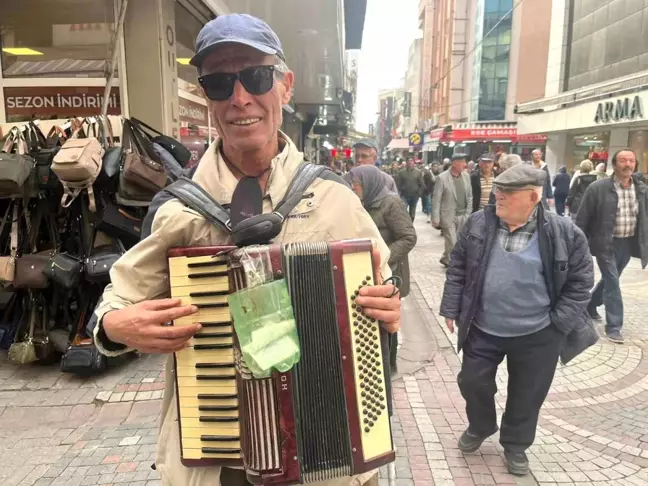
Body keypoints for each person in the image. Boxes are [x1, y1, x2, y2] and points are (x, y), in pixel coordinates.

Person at [91, 14, 400, 486]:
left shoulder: (334, 198)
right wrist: (115, 327)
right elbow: (117, 303)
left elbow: (384, 289)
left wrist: (390, 308)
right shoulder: (178, 210)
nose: (239, 98)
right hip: (221, 463)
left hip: (325, 451)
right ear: (207, 97)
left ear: (286, 85)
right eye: (219, 83)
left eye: (255, 76)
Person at [440, 164, 595, 476]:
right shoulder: (480, 224)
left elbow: (581, 283)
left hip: (539, 333)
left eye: (507, 192)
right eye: (498, 189)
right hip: (483, 327)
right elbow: (457, 266)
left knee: (527, 393)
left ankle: (516, 445)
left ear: (533, 197)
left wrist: (558, 325)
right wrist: (452, 307)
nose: (498, 196)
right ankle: (481, 425)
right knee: (471, 381)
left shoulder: (564, 232)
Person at [576, 148, 648, 344]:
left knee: (610, 279)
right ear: (614, 165)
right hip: (605, 242)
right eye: (623, 161)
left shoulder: (641, 189)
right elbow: (582, 218)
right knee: (613, 281)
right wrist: (577, 244)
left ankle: (589, 305)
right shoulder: (598, 188)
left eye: (631, 161)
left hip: (628, 242)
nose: (628, 165)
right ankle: (614, 325)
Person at [349, 165, 416, 374]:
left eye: (357, 184)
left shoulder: (391, 203)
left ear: (369, 183)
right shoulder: (361, 203)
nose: (353, 187)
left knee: (388, 321)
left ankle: (390, 364)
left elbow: (408, 237)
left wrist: (383, 256)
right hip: (366, 270)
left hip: (388, 271)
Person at [431, 153, 472, 267]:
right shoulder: (442, 178)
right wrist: (435, 217)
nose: (465, 164)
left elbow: (470, 196)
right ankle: (453, 264)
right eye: (462, 162)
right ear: (454, 163)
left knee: (457, 242)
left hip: (463, 215)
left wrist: (468, 213)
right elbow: (436, 199)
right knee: (452, 242)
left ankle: (445, 257)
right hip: (448, 215)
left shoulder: (466, 176)